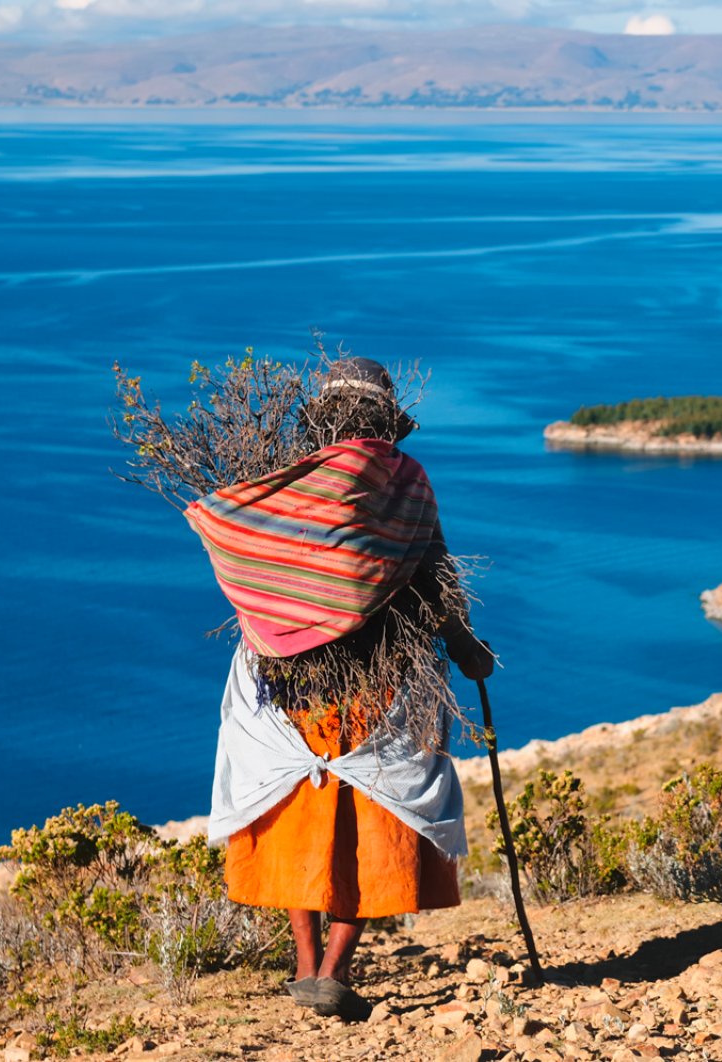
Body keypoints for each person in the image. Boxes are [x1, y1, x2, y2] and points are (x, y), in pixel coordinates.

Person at [190, 357, 494, 1019]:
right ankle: (333, 967)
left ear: (322, 421)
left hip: (284, 683)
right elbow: (433, 570)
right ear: (386, 419)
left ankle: (306, 965)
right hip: (380, 681)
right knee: (376, 811)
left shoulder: (282, 484)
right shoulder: (407, 479)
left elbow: (235, 536)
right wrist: (465, 646)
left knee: (298, 810)